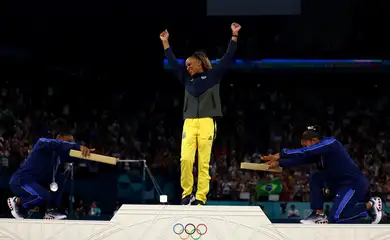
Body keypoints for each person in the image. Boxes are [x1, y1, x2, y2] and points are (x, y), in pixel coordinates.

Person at [159, 23, 241, 205]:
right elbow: (173, 63)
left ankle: (201, 197)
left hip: (206, 122)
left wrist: (234, 36)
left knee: (203, 162)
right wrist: (165, 43)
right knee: (186, 159)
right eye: (186, 65)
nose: (187, 67)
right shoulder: (186, 78)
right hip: (189, 122)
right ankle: (186, 193)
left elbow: (227, 58)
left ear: (199, 62)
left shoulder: (213, 75)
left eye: (190, 64)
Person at [261, 126, 383, 224]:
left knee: (336, 217)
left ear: (314, 141)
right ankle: (318, 213)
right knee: (316, 177)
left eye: (305, 144)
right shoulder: (315, 152)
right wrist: (279, 163)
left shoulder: (331, 143)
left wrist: (281, 154)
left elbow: (305, 152)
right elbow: (299, 160)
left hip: (353, 184)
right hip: (336, 184)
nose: (304, 147)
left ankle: (370, 206)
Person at [7, 124, 93, 220]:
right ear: (59, 137)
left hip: (36, 183)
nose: (70, 145)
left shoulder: (60, 155)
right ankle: (17, 201)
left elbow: (75, 157)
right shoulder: (43, 143)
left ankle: (51, 210)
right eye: (68, 141)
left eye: (72, 142)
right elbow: (60, 145)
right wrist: (77, 146)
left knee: (59, 178)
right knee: (43, 196)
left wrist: (88, 155)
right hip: (22, 181)